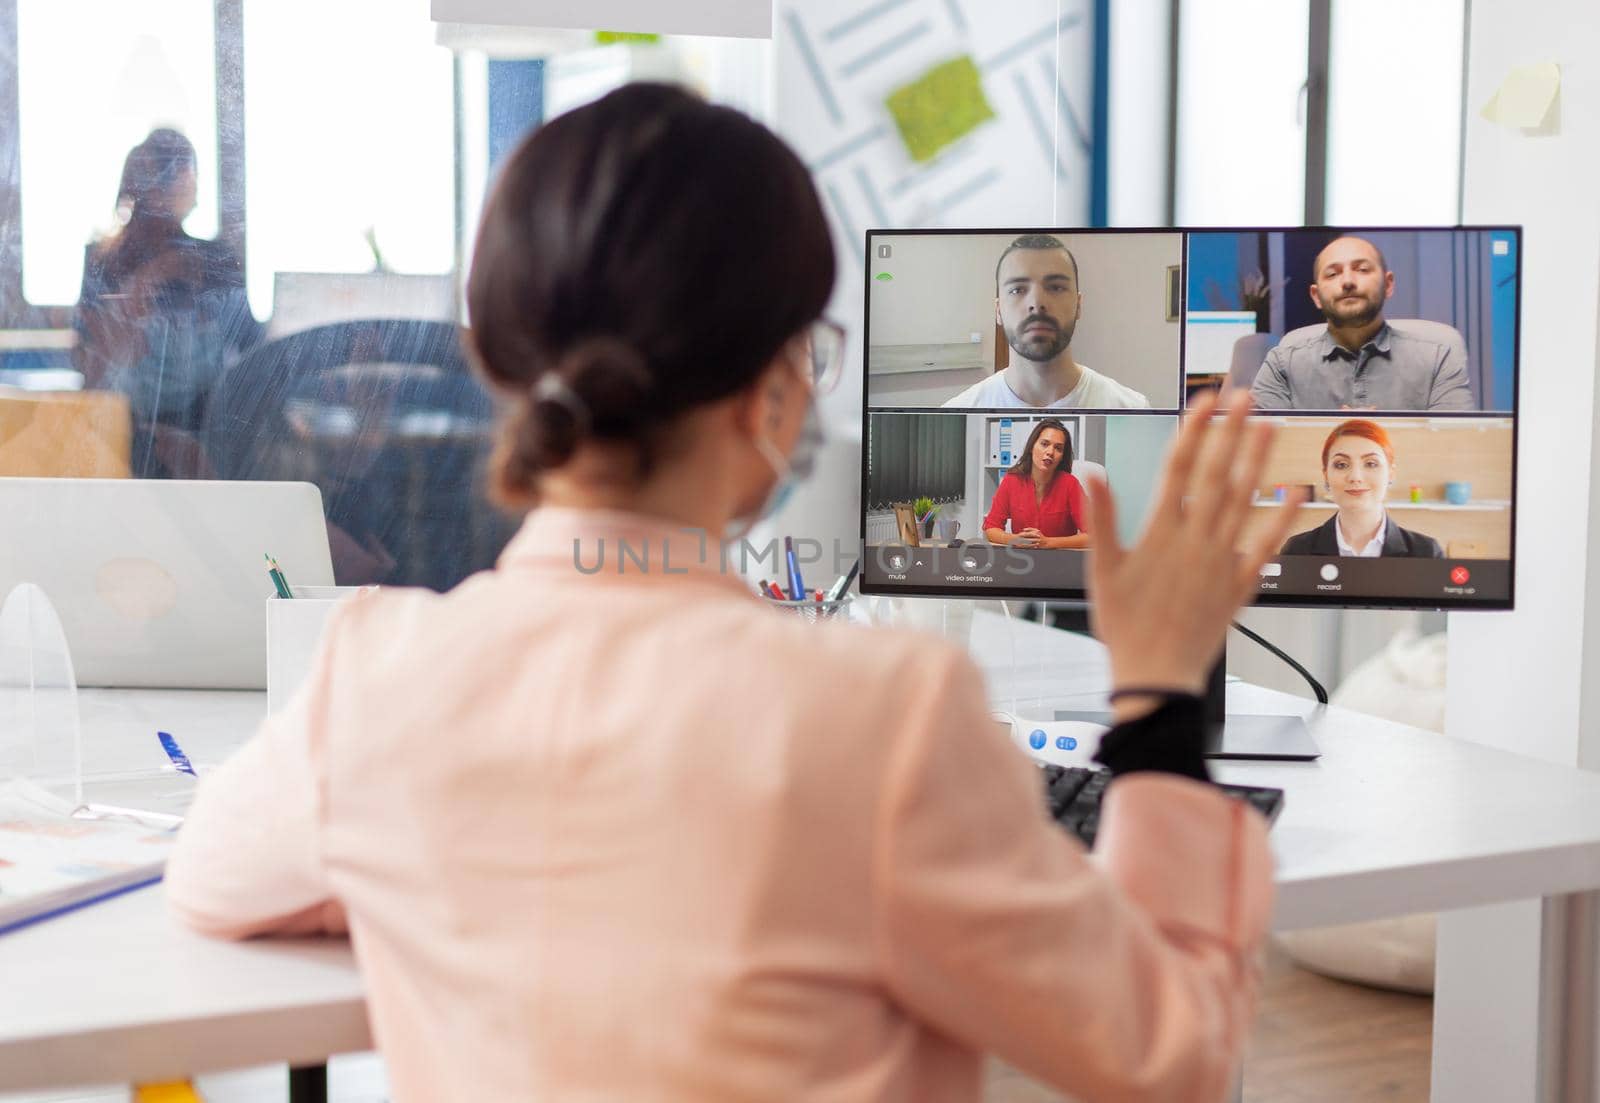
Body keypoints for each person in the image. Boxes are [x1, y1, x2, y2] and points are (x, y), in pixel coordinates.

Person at [166, 84, 1303, 1102]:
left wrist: (437, 865)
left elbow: (214, 878)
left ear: (510, 378)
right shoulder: (886, 715)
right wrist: (1155, 693)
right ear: (772, 394)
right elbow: (1172, 1054)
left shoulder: (374, 678)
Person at [72, 128, 260, 476]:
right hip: (129, 440)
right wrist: (144, 285)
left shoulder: (209, 260)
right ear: (184, 181)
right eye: (189, 173)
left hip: (201, 438)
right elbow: (90, 367)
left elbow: (252, 351)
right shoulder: (105, 262)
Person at [1249, 234, 1474, 412]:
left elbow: (1457, 446)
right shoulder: (1283, 362)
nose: (1347, 281)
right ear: (1316, 296)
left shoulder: (1438, 356)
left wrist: (1375, 436)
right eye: (1333, 274)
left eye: (1362, 269)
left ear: (1388, 284)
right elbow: (1263, 450)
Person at [943, 234, 1151, 409]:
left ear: (1078, 304)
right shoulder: (958, 410)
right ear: (998, 310)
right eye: (1017, 290)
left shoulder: (1132, 407)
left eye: (1055, 287)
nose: (1037, 303)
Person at [1280, 419, 1443, 557]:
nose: (1355, 477)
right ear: (1326, 475)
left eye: (1371, 464)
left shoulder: (1426, 552)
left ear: (1391, 473)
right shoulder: (1297, 550)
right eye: (1341, 465)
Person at [983, 417, 1090, 548]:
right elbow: (991, 528)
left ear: (1062, 456)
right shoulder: (1012, 480)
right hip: (1021, 560)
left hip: (1061, 561)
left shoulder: (1070, 484)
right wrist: (1014, 540)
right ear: (1032, 447)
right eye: (1044, 444)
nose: (1050, 452)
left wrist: (1048, 542)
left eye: (1058, 448)